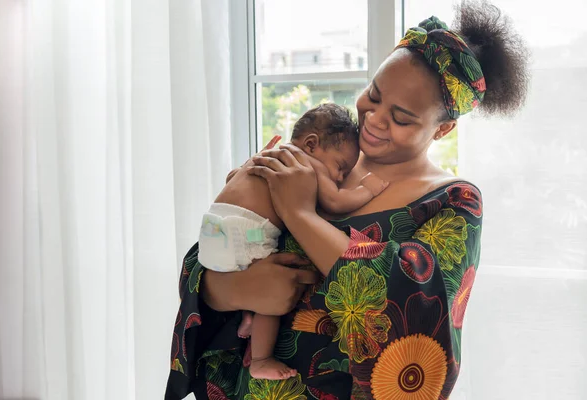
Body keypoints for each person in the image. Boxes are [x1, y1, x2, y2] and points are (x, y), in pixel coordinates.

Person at [165, 2, 529, 399]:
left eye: (402, 117)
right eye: (373, 94)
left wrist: (300, 213)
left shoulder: (453, 203)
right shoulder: (312, 159)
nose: (373, 119)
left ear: (442, 129)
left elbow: (417, 319)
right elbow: (211, 250)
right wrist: (231, 289)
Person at [197, 103, 387, 380]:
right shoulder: (303, 163)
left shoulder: (269, 155)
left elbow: (230, 178)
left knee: (251, 279)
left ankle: (247, 316)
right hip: (245, 232)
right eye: (340, 167)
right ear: (311, 144)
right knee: (271, 296)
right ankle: (261, 359)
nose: (339, 177)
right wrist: (366, 189)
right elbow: (335, 202)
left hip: (214, 229)